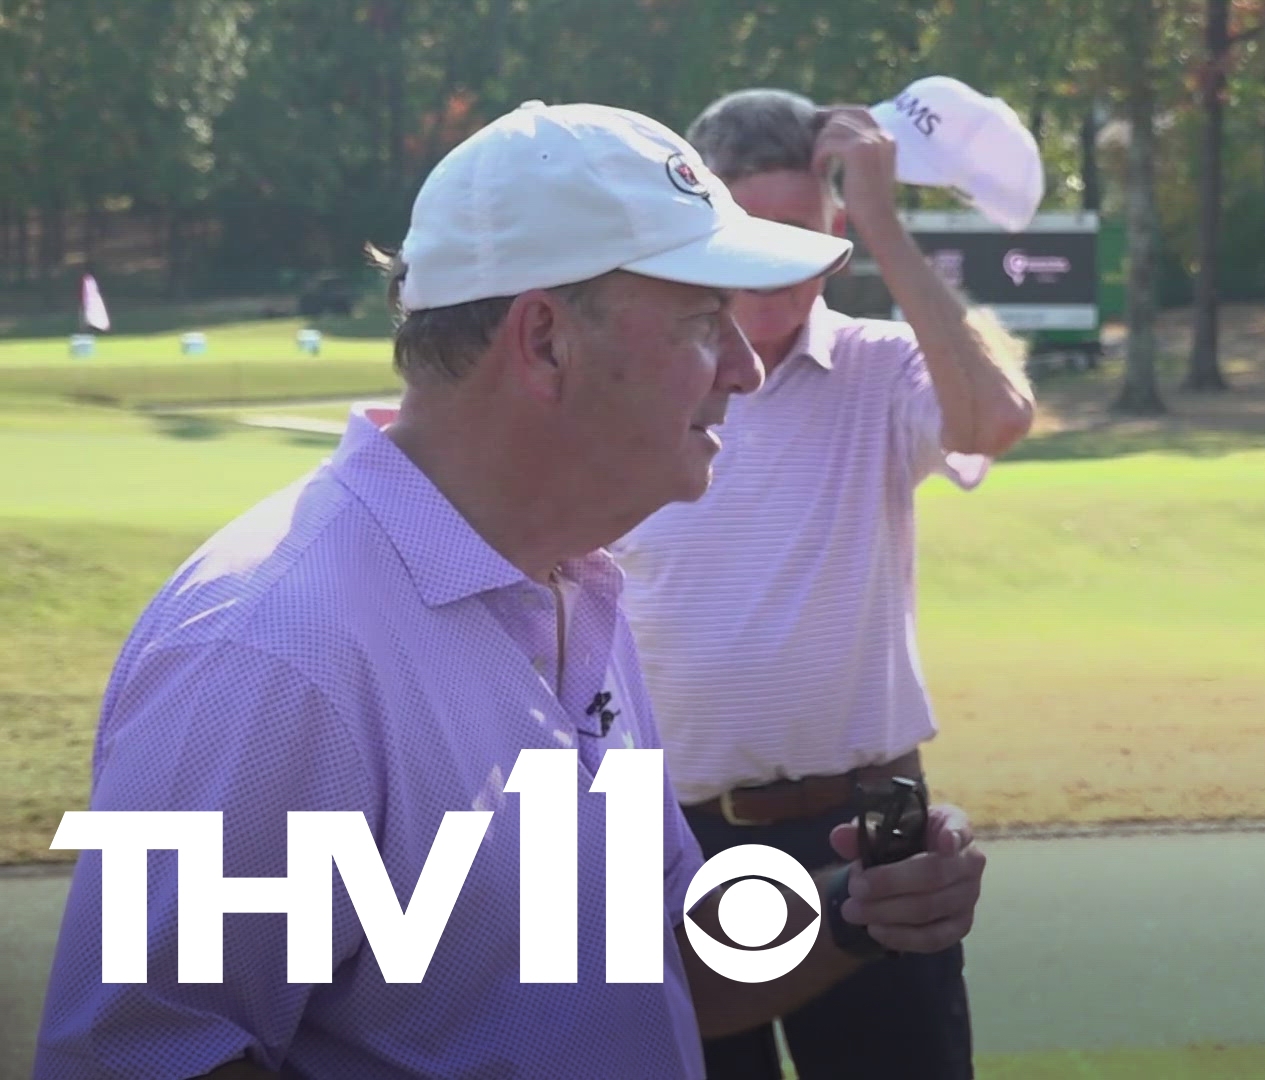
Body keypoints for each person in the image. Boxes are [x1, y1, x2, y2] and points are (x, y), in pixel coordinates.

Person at [33, 100, 987, 1080]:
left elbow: (646, 963)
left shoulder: (581, 594)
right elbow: (149, 1061)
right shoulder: (274, 652)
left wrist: (850, 917)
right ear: (542, 342)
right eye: (707, 323)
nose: (744, 370)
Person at [607, 88, 1034, 1079]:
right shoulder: (641, 382)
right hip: (671, 824)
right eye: (748, 229)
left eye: (802, 231)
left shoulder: (881, 366)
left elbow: (991, 420)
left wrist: (883, 222)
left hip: (873, 808)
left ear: (836, 229)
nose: (775, 264)